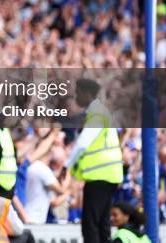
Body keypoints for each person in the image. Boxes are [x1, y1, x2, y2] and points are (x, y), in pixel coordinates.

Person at [66, 79, 123, 243]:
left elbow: (83, 143)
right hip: (108, 175)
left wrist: (66, 165)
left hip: (99, 175)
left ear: (87, 93)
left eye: (78, 93)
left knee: (90, 225)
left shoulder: (97, 113)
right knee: (102, 224)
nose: (76, 97)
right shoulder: (101, 112)